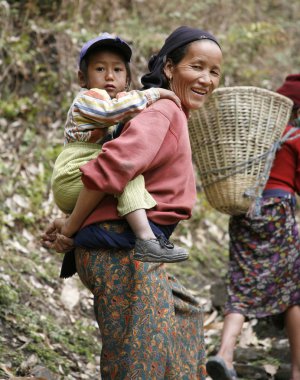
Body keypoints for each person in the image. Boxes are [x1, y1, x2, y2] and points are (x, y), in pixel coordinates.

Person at [42, 25, 223, 379]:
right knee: (138, 360)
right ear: (170, 68)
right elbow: (109, 168)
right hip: (120, 251)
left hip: (128, 246)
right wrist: (71, 226)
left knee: (183, 318)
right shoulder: (163, 111)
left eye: (214, 71)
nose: (206, 79)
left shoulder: (167, 113)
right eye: (197, 66)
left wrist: (70, 222)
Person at [52, 32, 188, 264]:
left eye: (117, 70)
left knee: (121, 174)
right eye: (99, 69)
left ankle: (78, 228)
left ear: (126, 79)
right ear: (82, 79)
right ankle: (146, 239)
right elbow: (111, 111)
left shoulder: (117, 105)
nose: (109, 76)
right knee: (125, 171)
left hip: (79, 175)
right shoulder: (88, 99)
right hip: (71, 171)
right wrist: (154, 94)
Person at [206, 74, 300, 380]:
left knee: (241, 285)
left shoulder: (251, 134)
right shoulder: (294, 136)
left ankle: (225, 355)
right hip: (277, 212)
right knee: (292, 290)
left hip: (244, 211)